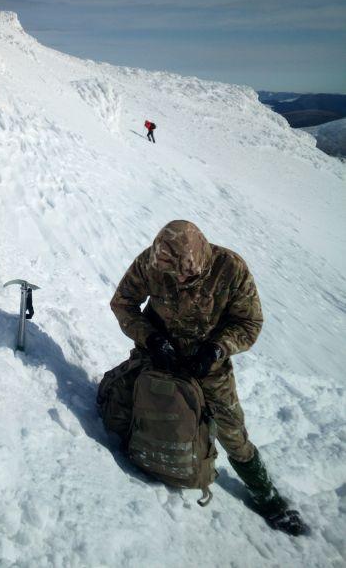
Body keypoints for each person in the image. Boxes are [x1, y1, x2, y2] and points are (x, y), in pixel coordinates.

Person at [109, 220, 306, 536]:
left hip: (207, 363)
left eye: (186, 274)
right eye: (172, 274)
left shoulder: (231, 269)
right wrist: (151, 339)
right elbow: (123, 303)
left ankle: (268, 498)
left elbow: (249, 323)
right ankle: (136, 451)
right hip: (160, 354)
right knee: (123, 401)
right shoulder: (153, 262)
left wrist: (217, 349)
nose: (178, 279)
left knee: (233, 431)